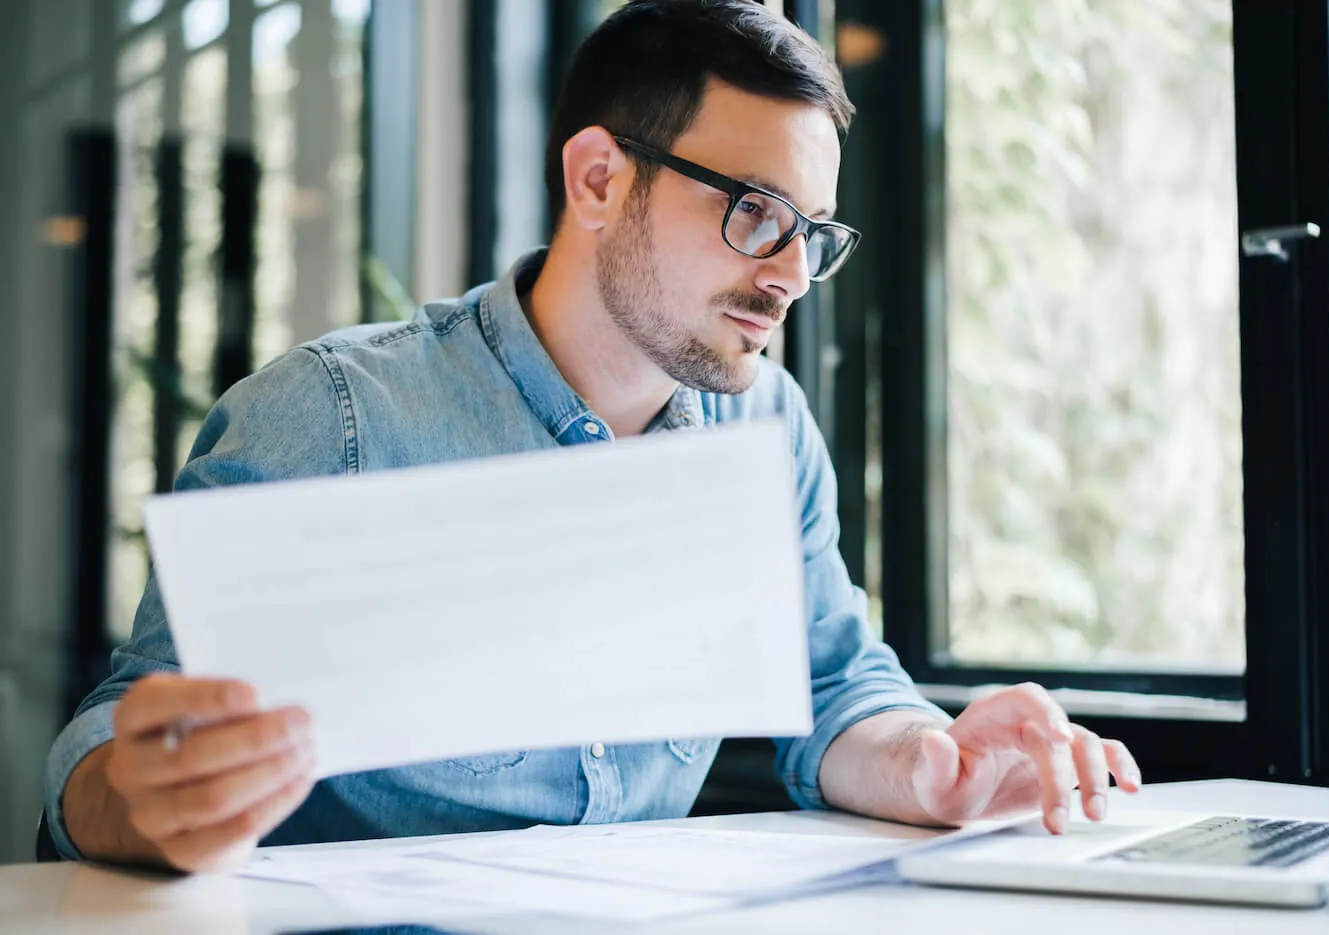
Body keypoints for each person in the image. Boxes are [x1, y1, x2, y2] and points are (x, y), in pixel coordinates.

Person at [45, 0, 1139, 873]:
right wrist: (141, 799)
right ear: (599, 178)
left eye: (812, 233)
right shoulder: (333, 416)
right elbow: (113, 743)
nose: (791, 273)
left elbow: (830, 686)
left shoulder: (763, 423)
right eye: (756, 211)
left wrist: (933, 761)